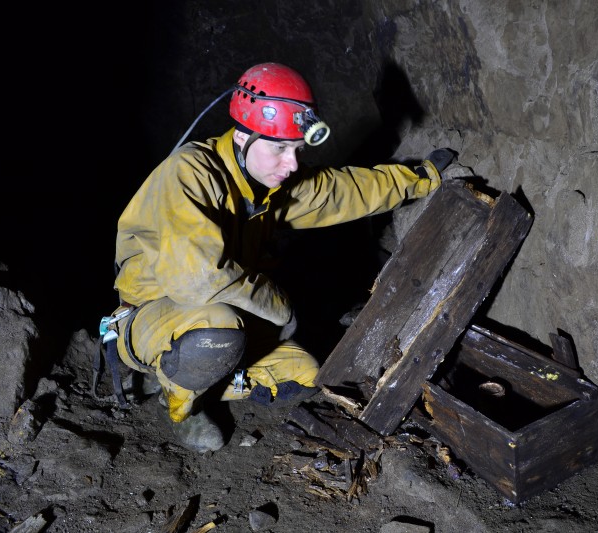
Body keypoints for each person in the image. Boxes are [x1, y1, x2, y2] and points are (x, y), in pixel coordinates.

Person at [99, 62, 456, 453]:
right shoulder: (189, 174)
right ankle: (183, 408)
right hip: (155, 313)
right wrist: (277, 306)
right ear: (242, 135)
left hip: (227, 315)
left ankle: (182, 373)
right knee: (217, 329)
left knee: (306, 374)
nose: (291, 164)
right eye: (280, 148)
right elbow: (197, 280)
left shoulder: (269, 187)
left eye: (298, 150)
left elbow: (341, 190)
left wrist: (418, 179)